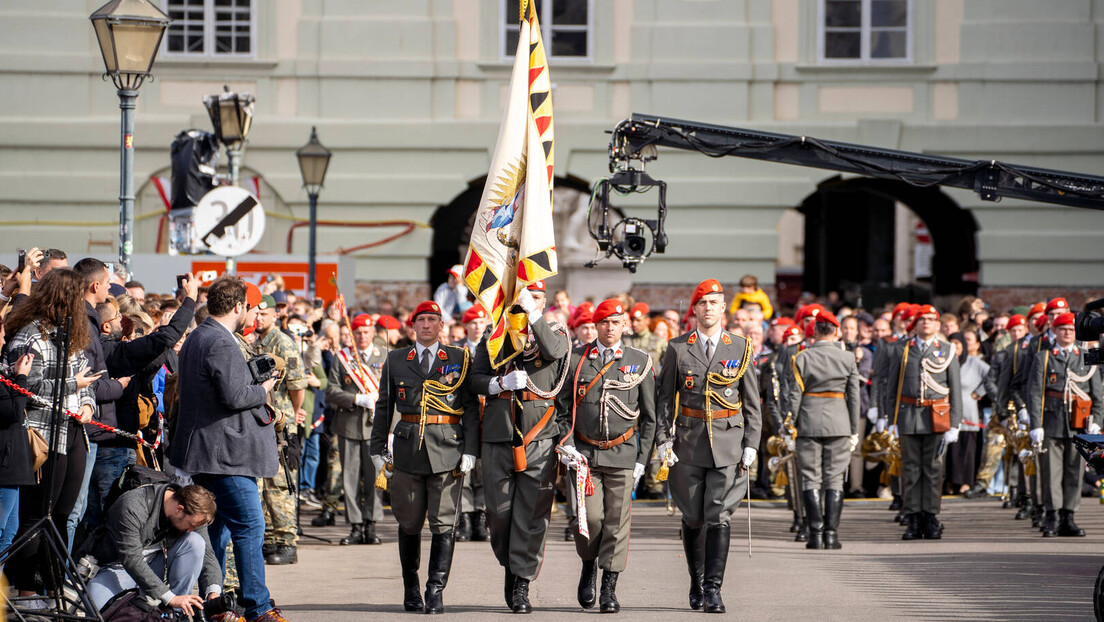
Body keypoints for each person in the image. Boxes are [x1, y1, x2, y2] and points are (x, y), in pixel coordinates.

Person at [168, 276, 287, 622]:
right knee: (250, 525)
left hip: (210, 451)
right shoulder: (219, 341)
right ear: (239, 307)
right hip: (224, 455)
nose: (251, 314)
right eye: (249, 307)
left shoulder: (199, 336)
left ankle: (215, 605)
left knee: (215, 530)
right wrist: (262, 388)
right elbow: (236, 396)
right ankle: (259, 607)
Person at [655, 279, 762, 613]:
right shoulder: (677, 347)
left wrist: (752, 444)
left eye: (714, 303)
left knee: (719, 516)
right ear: (695, 309)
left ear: (723, 308)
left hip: (728, 443)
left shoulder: (741, 347)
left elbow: (753, 402)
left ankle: (714, 589)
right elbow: (663, 401)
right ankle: (696, 580)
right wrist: (663, 440)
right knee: (692, 517)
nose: (708, 308)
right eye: (702, 303)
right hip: (688, 442)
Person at [369, 301, 478, 614]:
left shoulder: (459, 358)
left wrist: (471, 450)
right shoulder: (396, 359)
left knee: (444, 524)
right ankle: (411, 589)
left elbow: (470, 407)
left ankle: (435, 590)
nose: (427, 325)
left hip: (447, 449)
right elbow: (384, 406)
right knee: (409, 522)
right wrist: (377, 450)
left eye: (433, 320)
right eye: (421, 320)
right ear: (411, 326)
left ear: (442, 326)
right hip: (408, 450)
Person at [470, 280, 570, 613]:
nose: (529, 301)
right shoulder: (494, 333)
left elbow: (554, 353)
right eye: (524, 296)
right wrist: (498, 383)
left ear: (545, 301)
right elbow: (475, 378)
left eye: (537, 296)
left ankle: (521, 583)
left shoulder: (555, 331)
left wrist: (533, 314)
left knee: (531, 514)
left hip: (539, 435)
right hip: (499, 432)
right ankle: (511, 566)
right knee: (499, 514)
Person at [3, 269, 99, 599]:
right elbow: (24, 387)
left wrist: (88, 403)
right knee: (36, 517)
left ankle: (54, 588)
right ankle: (26, 590)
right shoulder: (31, 335)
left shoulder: (69, 334)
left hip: (73, 432)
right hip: (43, 434)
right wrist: (76, 385)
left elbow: (87, 377)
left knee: (62, 516)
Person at [558, 299, 656, 612]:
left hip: (623, 452)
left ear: (624, 325)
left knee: (617, 523)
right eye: (604, 322)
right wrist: (568, 442)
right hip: (584, 453)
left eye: (615, 322)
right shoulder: (576, 358)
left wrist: (642, 459)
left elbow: (650, 416)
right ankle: (589, 564)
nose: (610, 328)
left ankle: (609, 589)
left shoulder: (639, 361)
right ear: (595, 325)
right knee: (589, 520)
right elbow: (562, 407)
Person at [880, 304, 962, 541]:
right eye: (922, 319)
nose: (926, 323)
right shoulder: (902, 350)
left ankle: (931, 516)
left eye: (931, 319)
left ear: (938, 325)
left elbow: (954, 389)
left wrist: (954, 423)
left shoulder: (946, 350)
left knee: (934, 470)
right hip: (908, 416)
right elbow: (892, 388)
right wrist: (891, 420)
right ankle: (913, 518)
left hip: (937, 417)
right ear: (914, 324)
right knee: (911, 470)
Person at [85, 481, 223, 617]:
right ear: (179, 509)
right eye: (191, 525)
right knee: (97, 610)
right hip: (117, 567)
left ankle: (175, 614)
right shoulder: (132, 505)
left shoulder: (194, 513)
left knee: (196, 542)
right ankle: (170, 601)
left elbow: (208, 555)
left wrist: (214, 593)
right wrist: (169, 597)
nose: (191, 529)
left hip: (155, 563)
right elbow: (132, 559)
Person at [787, 311, 860, 550]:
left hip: (808, 422)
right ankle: (831, 534)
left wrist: (790, 426)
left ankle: (815, 534)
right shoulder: (848, 358)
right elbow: (854, 396)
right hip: (839, 423)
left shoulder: (801, 358)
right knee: (835, 479)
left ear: (814, 332)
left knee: (811, 478)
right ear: (836, 332)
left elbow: (794, 396)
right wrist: (853, 429)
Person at [1028, 311, 1102, 537]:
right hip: (1051, 421)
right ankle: (1052, 516)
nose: (1067, 333)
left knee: (1074, 471)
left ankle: (1069, 516)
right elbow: (1035, 393)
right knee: (1051, 472)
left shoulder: (1086, 356)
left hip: (1079, 423)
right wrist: (1035, 424)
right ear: (1055, 331)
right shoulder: (1044, 357)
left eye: (1071, 329)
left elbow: (1097, 393)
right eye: (1062, 329)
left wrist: (1097, 421)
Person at [253, 295, 308, 565]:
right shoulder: (253, 341)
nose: (259, 318)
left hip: (282, 426)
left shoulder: (283, 342)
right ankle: (270, 539)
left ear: (275, 315)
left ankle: (288, 542)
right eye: (257, 314)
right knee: (263, 486)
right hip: (262, 423)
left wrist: (293, 413)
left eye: (265, 314)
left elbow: (297, 386)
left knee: (280, 484)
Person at [325, 313, 386, 546]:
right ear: (352, 334)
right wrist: (356, 398)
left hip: (376, 428)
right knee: (350, 479)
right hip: (349, 425)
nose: (362, 336)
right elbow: (330, 390)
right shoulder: (342, 359)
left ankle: (371, 526)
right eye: (358, 332)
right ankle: (355, 526)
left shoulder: (384, 356)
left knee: (374, 478)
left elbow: (392, 392)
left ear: (372, 333)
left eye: (366, 332)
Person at [454, 304, 490, 542]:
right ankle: (465, 518)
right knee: (464, 468)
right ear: (465, 326)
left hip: (488, 415)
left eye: (481, 323)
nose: (478, 327)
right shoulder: (457, 352)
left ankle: (481, 519)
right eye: (473, 323)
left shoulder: (493, 349)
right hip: (465, 414)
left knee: (484, 468)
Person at [946, 330, 994, 496]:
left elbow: (992, 375)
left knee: (967, 448)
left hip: (968, 410)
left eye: (958, 343)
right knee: (952, 449)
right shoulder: (945, 361)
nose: (954, 347)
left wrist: (979, 392)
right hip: (948, 411)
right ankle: (951, 480)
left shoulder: (974, 363)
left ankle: (966, 481)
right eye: (951, 343)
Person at [0, 351, 35, 559]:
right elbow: (12, 412)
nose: (4, 342)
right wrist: (21, 376)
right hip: (4, 464)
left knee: (8, 534)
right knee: (2, 531)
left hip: (12, 461)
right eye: (1, 336)